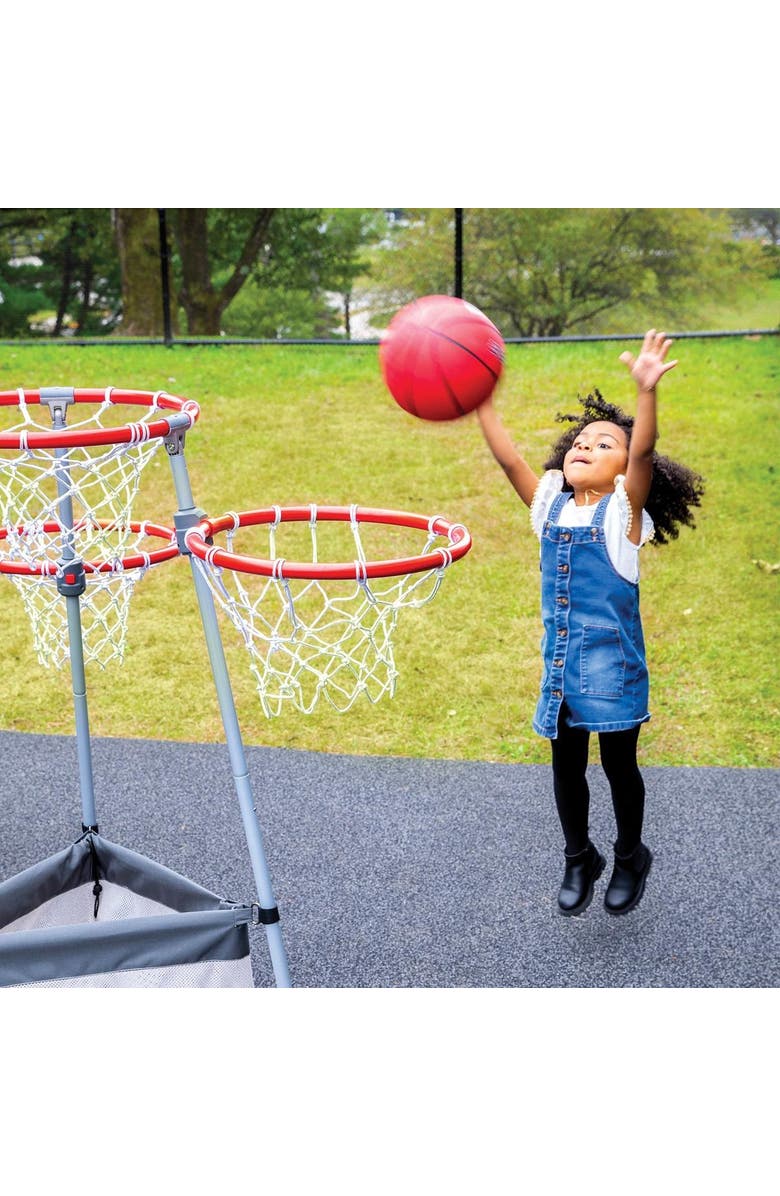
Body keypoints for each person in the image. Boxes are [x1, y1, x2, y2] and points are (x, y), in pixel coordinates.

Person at [476, 330, 704, 916]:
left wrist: (646, 393)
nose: (584, 446)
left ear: (623, 468)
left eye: (604, 444)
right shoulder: (549, 505)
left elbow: (646, 452)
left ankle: (630, 854)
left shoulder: (623, 519)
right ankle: (580, 856)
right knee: (566, 763)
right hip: (560, 668)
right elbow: (510, 462)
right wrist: (481, 403)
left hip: (613, 669)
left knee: (618, 764)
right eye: (580, 440)